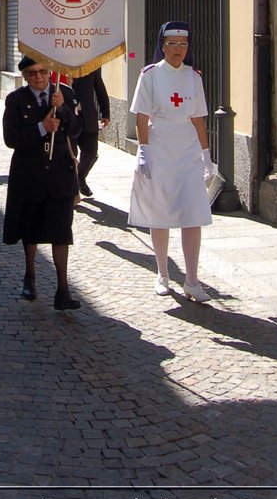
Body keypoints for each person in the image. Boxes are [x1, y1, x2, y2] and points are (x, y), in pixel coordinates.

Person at [128, 21, 214, 302]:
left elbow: (199, 117)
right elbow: (141, 115)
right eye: (172, 44)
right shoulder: (150, 75)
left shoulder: (194, 77)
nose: (178, 50)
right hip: (160, 147)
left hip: (187, 150)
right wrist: (144, 150)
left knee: (193, 213)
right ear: (162, 46)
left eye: (183, 44)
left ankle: (192, 279)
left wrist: (206, 155)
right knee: (160, 211)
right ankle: (163, 273)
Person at [3, 57, 83, 310]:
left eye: (42, 72)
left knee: (61, 231)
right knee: (31, 228)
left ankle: (63, 290)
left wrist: (65, 110)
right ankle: (30, 275)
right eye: (32, 73)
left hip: (60, 173)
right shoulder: (16, 100)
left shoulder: (64, 94)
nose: (39, 77)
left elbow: (78, 129)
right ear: (25, 76)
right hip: (30, 174)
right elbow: (11, 138)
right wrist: (42, 127)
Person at [70, 66, 111, 197]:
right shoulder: (61, 62)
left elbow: (100, 88)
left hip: (87, 116)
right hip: (67, 116)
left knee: (92, 153)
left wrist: (105, 112)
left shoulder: (92, 64)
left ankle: (79, 178)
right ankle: (71, 189)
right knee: (70, 155)